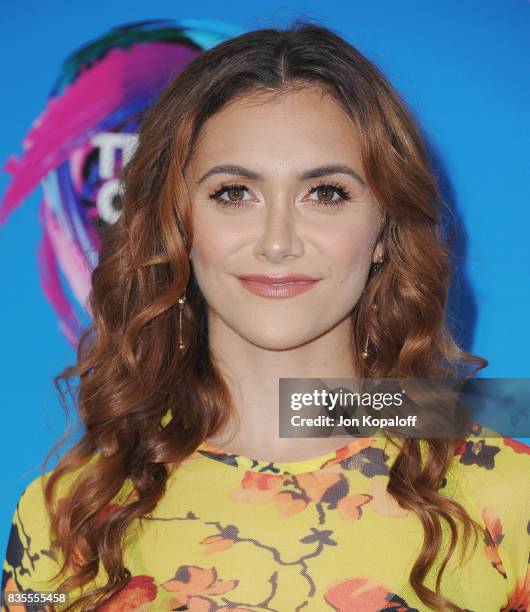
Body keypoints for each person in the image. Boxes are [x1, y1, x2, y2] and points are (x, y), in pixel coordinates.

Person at [2, 21, 529, 612]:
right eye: (234, 193)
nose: (277, 242)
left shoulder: (508, 496)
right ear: (178, 224)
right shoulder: (66, 517)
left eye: (325, 193)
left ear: (385, 228)